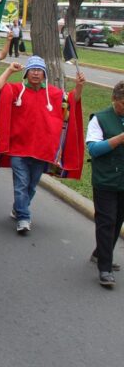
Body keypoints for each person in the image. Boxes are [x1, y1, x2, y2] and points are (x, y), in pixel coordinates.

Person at [0, 57, 86, 235]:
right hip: (18, 149)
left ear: (44, 74)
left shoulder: (55, 94)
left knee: (31, 186)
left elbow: (72, 101)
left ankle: (18, 208)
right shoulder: (15, 89)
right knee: (21, 184)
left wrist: (79, 85)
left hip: (42, 151)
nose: (35, 73)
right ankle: (24, 218)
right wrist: (10, 70)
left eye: (39, 70)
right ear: (26, 73)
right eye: (32, 69)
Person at [86, 81, 124, 287]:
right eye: (123, 105)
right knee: (106, 222)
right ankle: (105, 268)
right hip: (105, 180)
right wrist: (119, 139)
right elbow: (93, 149)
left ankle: (99, 253)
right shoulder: (99, 119)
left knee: (118, 222)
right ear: (114, 100)